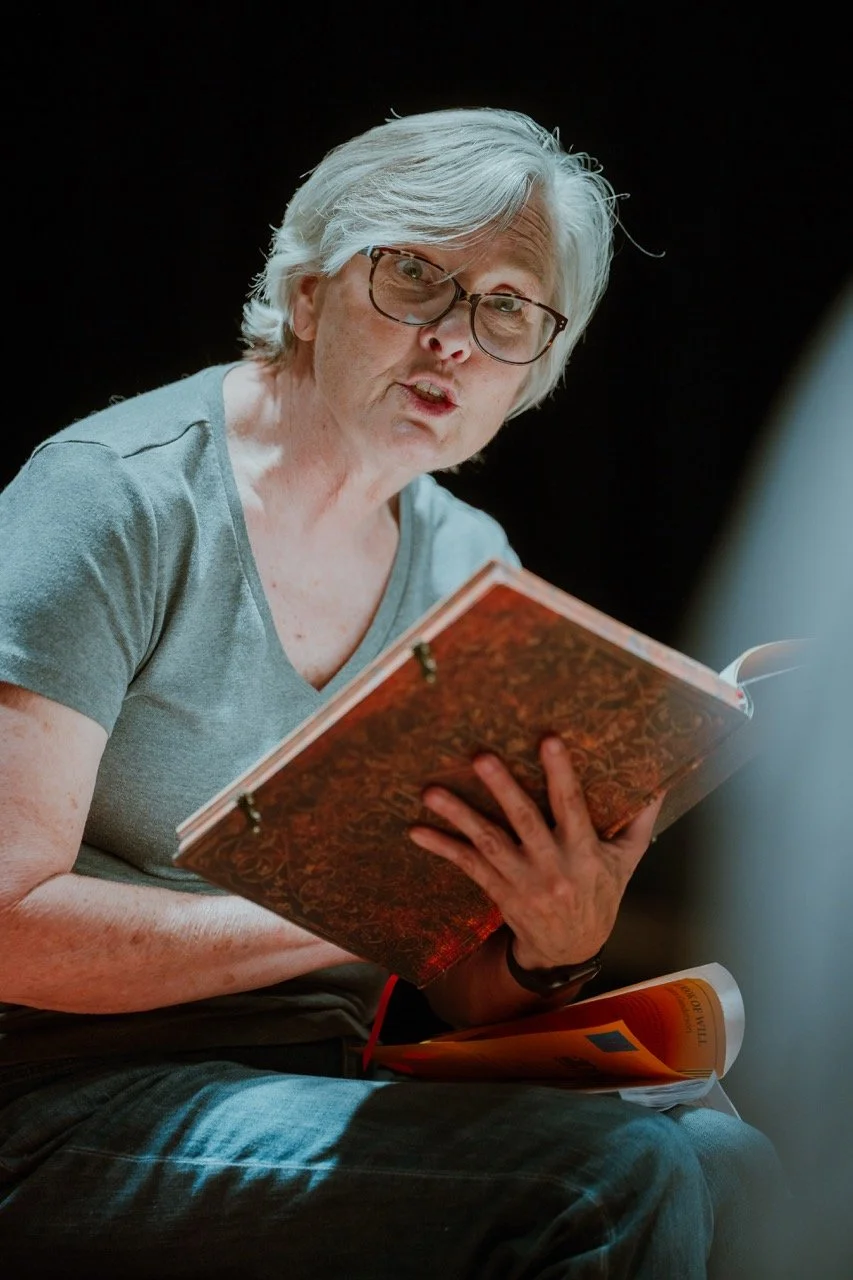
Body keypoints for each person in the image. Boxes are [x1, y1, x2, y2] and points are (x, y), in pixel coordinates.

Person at [0, 106, 786, 1278]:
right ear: (309, 291)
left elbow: (460, 989)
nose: (455, 338)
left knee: (732, 1161)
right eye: (413, 274)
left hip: (319, 1081)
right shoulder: (112, 499)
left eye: (508, 305)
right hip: (54, 1099)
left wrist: (549, 946)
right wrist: (347, 910)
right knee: (603, 1176)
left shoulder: (469, 567)